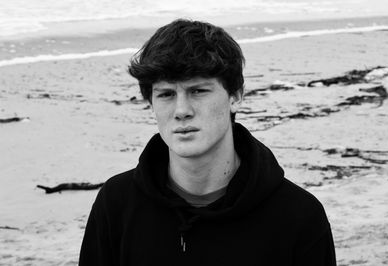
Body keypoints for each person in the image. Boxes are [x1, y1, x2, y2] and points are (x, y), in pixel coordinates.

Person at [79, 19, 336, 266]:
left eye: (198, 91)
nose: (182, 110)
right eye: (167, 94)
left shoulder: (298, 216)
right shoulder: (116, 204)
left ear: (235, 96)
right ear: (151, 104)